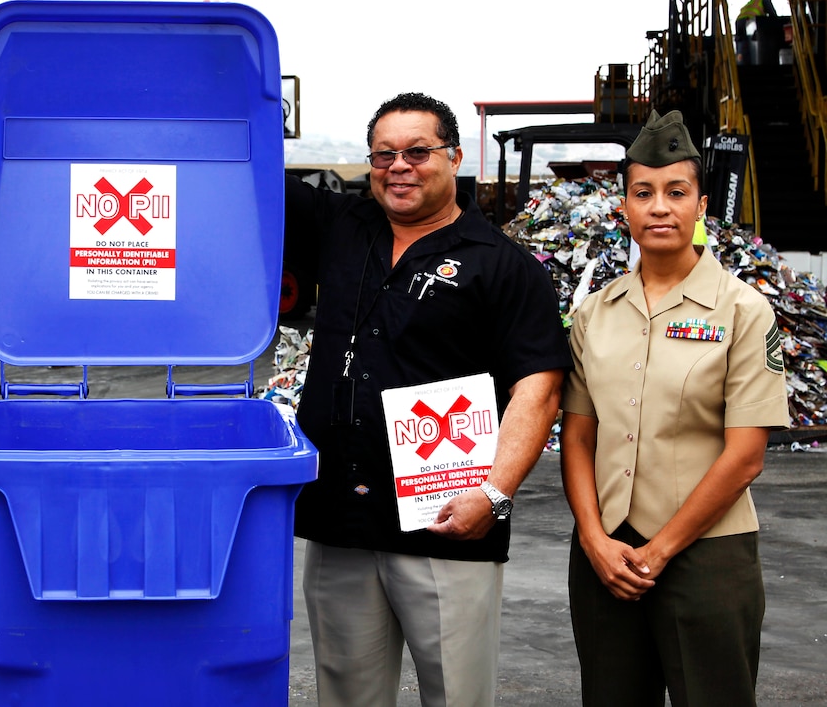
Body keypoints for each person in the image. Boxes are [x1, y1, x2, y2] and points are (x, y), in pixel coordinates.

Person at [286, 92, 570, 706]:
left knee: (456, 697)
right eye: (384, 154)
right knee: (345, 695)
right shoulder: (342, 230)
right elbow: (244, 172)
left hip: (448, 524)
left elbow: (539, 388)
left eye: (418, 151)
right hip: (341, 522)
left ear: (455, 158)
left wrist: (492, 496)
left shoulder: (503, 266)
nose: (399, 166)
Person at [559, 109, 790, 706]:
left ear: (701, 207)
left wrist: (659, 552)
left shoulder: (743, 311)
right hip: (606, 554)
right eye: (643, 193)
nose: (659, 206)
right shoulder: (594, 314)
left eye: (676, 192)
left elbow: (745, 457)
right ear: (625, 208)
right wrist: (592, 539)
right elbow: (578, 436)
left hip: (707, 557)